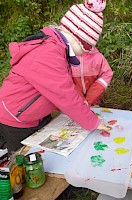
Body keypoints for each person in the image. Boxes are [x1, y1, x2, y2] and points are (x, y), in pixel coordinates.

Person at [0, 0, 110, 154]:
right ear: (79, 40)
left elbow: (64, 87)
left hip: (33, 116)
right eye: (85, 48)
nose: (85, 53)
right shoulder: (48, 55)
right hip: (17, 120)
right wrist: (92, 121)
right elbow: (64, 94)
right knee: (25, 161)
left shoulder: (56, 50)